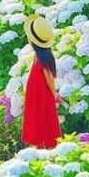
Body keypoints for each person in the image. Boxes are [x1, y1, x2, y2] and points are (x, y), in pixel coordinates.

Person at [21, 14, 63, 150]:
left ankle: (44, 147)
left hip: (42, 95)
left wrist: (54, 94)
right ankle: (41, 146)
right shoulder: (39, 56)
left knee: (42, 120)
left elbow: (49, 78)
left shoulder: (43, 58)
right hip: (36, 95)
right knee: (40, 120)